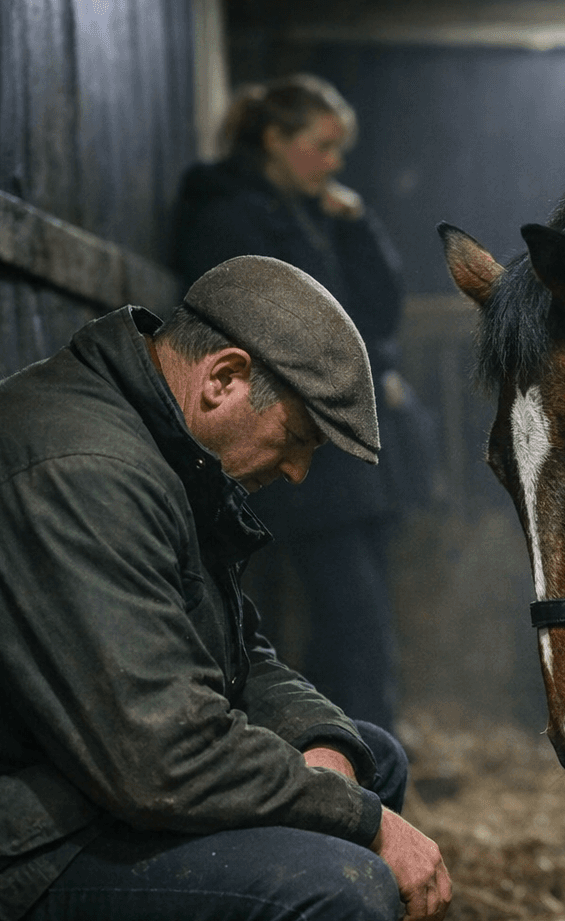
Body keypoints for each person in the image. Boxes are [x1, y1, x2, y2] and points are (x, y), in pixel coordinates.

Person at [0, 256, 452, 921]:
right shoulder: (85, 471)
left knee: (370, 756)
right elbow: (162, 759)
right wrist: (360, 819)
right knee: (342, 900)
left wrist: (322, 747)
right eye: (300, 439)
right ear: (225, 378)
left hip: (43, 799)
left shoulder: (158, 451)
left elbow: (242, 658)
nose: (302, 473)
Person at [173, 73, 435, 731]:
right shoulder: (229, 217)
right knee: (350, 618)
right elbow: (268, 331)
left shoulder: (312, 219)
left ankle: (357, 746)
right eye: (320, 145)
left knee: (356, 615)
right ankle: (358, 754)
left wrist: (357, 227)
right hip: (292, 440)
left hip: (336, 447)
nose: (332, 163)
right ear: (274, 140)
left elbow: (380, 312)